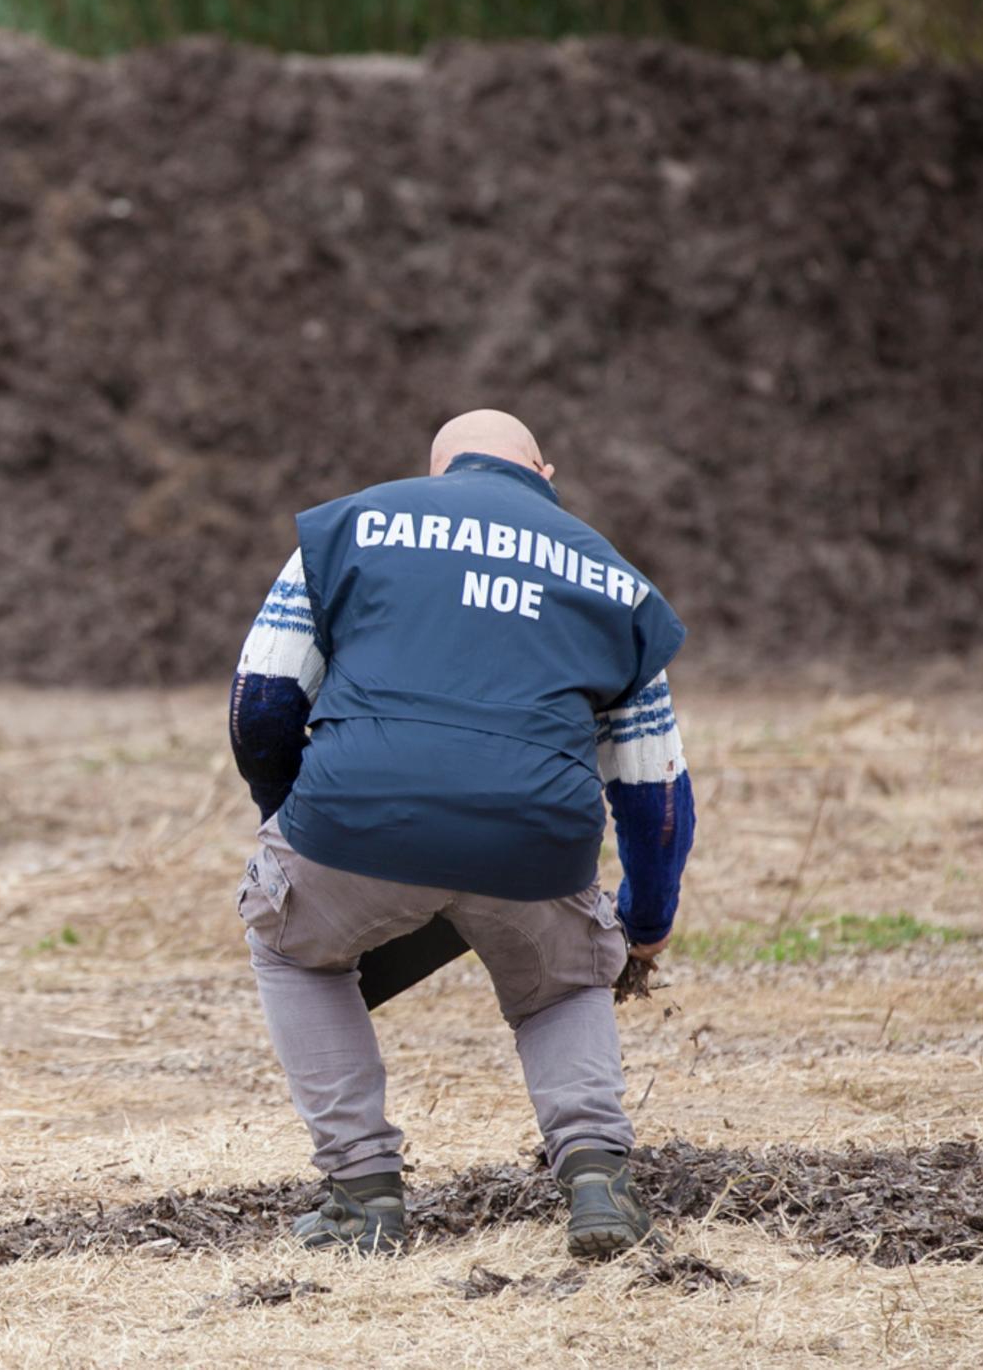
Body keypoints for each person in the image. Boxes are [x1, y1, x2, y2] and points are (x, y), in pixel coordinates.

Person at [227, 410, 695, 1258]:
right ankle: (596, 1177)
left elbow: (262, 698)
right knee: (563, 985)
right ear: (543, 473)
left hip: (353, 815)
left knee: (293, 948)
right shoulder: (612, 577)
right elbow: (654, 789)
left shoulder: (352, 526)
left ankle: (363, 1191)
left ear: (438, 473)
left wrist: (290, 825)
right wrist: (645, 925)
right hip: (537, 838)